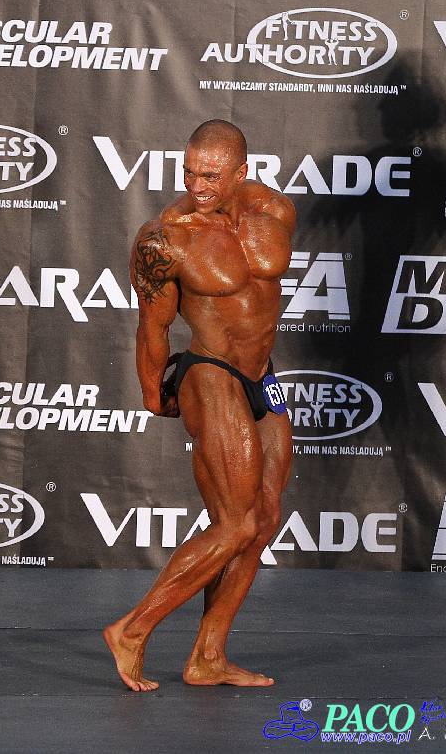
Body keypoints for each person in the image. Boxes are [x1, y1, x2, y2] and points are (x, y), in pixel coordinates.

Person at [104, 119, 296, 691]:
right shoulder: (167, 239)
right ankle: (132, 629)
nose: (197, 185)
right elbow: (152, 327)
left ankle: (209, 656)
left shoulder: (275, 212)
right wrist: (151, 392)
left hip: (262, 375)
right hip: (209, 371)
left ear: (241, 172)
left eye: (211, 175)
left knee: (262, 522)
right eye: (189, 173)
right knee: (235, 524)